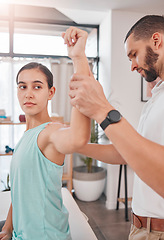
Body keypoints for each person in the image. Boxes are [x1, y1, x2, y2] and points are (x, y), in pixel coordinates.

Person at [69, 15, 164, 239]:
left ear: (157, 40)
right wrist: (75, 144)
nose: (132, 65)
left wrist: (103, 111)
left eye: (134, 54)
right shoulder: (157, 97)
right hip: (141, 227)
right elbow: (128, 153)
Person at [0, 27, 91, 240]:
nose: (28, 93)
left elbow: (77, 137)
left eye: (37, 87)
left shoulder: (51, 132)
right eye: (22, 87)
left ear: (51, 92)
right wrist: (8, 227)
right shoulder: (25, 137)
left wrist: (78, 57)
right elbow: (20, 191)